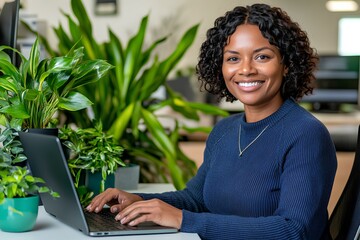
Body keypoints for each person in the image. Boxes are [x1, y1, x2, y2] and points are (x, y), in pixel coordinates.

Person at [86, 3, 337, 239]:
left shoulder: (306, 134)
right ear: (221, 67)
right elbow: (196, 199)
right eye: (233, 58)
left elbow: (293, 231)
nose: (246, 69)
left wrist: (184, 220)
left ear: (286, 65)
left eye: (262, 57)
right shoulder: (224, 130)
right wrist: (138, 200)